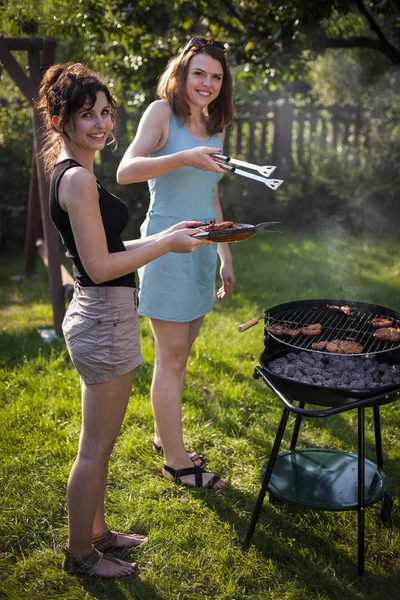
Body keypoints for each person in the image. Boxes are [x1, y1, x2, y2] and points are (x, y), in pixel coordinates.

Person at [37, 62, 211, 579]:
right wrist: (166, 244)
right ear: (59, 119)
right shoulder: (79, 182)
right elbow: (101, 267)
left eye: (106, 113)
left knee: (101, 444)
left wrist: (167, 234)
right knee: (94, 450)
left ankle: (96, 532)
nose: (101, 124)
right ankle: (81, 555)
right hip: (104, 319)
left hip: (103, 311)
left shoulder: (73, 173)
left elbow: (108, 252)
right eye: (86, 114)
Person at [117, 37, 235, 490]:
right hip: (166, 245)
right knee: (170, 360)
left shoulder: (215, 125)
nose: (207, 83)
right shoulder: (160, 113)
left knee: (181, 358)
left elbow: (212, 194)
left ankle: (164, 436)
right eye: (199, 73)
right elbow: (126, 170)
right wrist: (182, 156)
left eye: (216, 77)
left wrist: (225, 251)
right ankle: (176, 462)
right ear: (183, 74)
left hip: (203, 248)